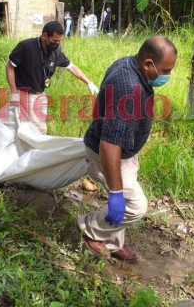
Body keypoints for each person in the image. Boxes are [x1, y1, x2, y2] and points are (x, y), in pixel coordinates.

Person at [78, 35, 177, 261]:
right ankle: (91, 230)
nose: (168, 75)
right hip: (110, 155)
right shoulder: (129, 88)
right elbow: (110, 144)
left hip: (124, 151)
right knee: (135, 205)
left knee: (125, 197)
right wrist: (115, 193)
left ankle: (112, 243)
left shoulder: (127, 63)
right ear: (148, 64)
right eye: (166, 70)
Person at [6, 21, 99, 134]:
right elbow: (10, 67)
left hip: (41, 94)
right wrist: (14, 93)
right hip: (25, 94)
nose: (57, 43)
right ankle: (36, 150)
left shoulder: (55, 52)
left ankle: (28, 149)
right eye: (55, 40)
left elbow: (72, 67)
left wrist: (89, 82)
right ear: (44, 35)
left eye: (59, 40)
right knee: (40, 129)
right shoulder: (26, 47)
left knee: (29, 128)